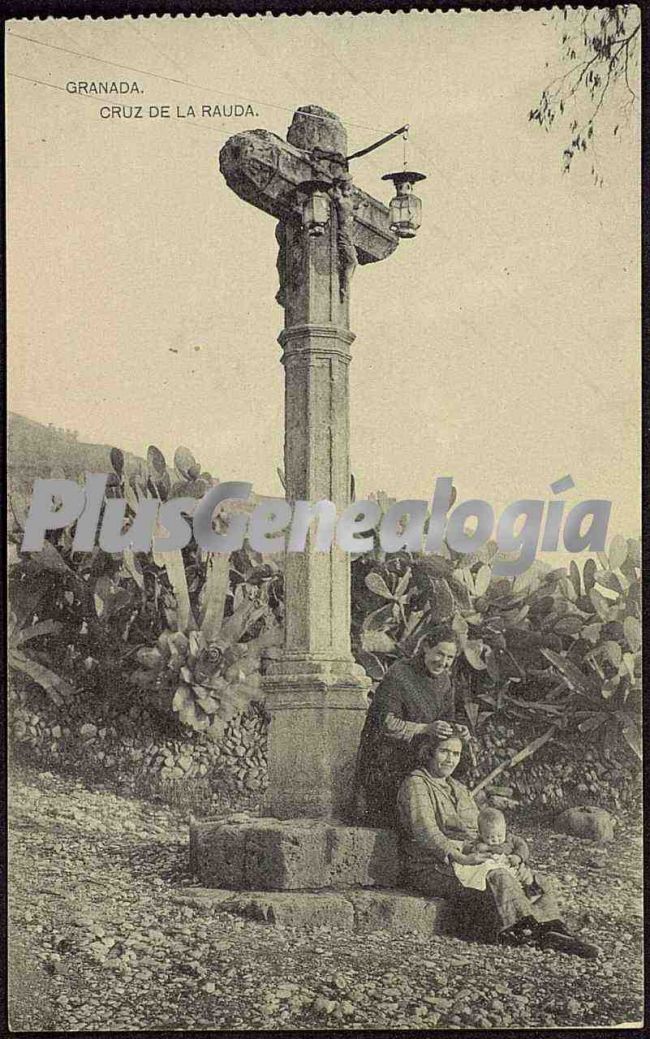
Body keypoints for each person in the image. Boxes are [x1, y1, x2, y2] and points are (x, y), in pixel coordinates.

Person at [397, 733, 599, 957]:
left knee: (533, 879)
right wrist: (462, 856)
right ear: (428, 752)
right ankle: (536, 933)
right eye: (444, 751)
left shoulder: (459, 788)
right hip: (432, 864)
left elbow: (483, 832)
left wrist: (512, 859)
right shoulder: (416, 784)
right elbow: (426, 831)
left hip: (473, 858)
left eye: (456, 753)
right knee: (500, 877)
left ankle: (556, 929)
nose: (450, 759)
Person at [355, 627, 469, 828]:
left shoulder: (444, 681)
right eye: (439, 653)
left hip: (421, 754)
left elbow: (446, 719)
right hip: (387, 758)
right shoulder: (400, 674)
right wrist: (425, 729)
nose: (443, 662)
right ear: (426, 647)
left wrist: (457, 730)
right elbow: (386, 724)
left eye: (450, 657)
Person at [451, 806, 541, 897]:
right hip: (495, 869)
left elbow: (523, 846)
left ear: (505, 829)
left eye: (500, 835)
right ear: (481, 834)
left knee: (526, 876)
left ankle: (532, 893)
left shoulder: (511, 839)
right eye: (489, 837)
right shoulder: (479, 841)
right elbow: (466, 847)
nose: (496, 840)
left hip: (511, 863)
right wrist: (474, 848)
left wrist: (518, 857)